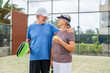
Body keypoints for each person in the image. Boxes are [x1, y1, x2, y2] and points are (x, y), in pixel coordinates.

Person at [26, 8, 74, 73]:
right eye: (44, 16)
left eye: (46, 16)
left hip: (46, 58)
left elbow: (62, 31)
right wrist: (27, 47)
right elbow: (28, 39)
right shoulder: (31, 27)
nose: (46, 18)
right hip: (34, 57)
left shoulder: (51, 27)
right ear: (38, 16)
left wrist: (70, 29)